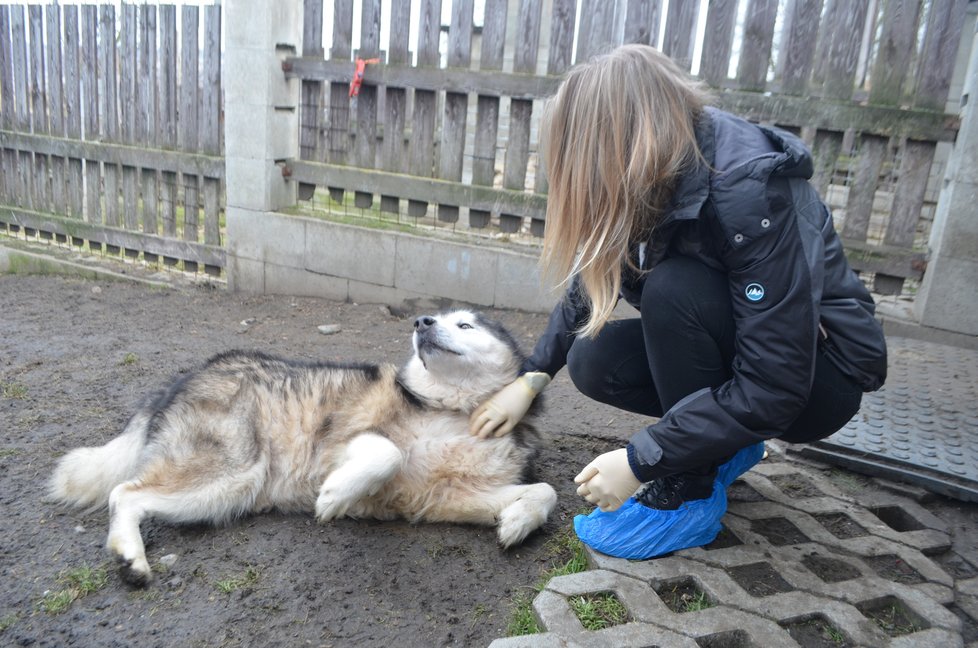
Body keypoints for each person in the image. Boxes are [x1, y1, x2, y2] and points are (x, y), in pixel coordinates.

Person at [469, 44, 887, 557]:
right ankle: (722, 445)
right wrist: (531, 378)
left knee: (673, 287)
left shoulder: (746, 190)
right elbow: (594, 277)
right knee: (595, 359)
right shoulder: (664, 169)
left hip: (820, 383)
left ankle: (688, 493)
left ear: (622, 142)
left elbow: (776, 384)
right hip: (755, 365)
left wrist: (645, 459)